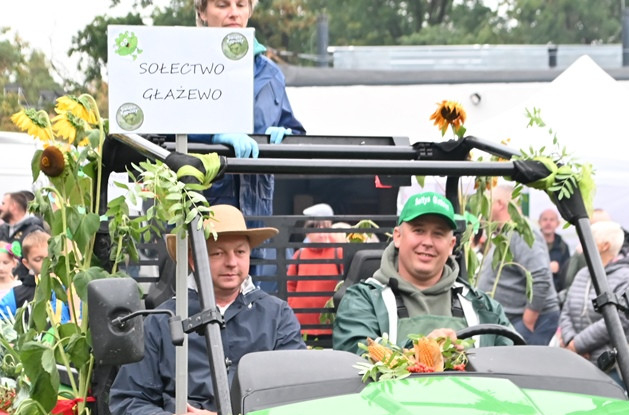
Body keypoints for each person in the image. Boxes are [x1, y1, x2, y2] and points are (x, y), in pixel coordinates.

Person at [109, 204, 305, 415]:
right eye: (218, 253)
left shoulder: (277, 316)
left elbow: (296, 395)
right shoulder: (162, 318)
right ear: (195, 259)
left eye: (240, 252)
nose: (231, 262)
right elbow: (127, 400)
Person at [190, 0, 306, 294]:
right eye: (222, 4)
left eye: (241, 4)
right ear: (202, 12)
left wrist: (285, 135)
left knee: (257, 315)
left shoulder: (270, 74)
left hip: (257, 220)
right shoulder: (184, 65)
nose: (233, 12)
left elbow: (294, 129)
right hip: (204, 216)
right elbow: (160, 132)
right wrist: (212, 136)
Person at [332, 191, 512, 353]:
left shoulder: (484, 308)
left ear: (451, 245)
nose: (427, 242)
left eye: (438, 233)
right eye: (418, 230)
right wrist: (421, 351)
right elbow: (357, 353)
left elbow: (516, 359)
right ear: (397, 236)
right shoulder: (363, 302)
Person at [476, 185, 560, 345]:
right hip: (514, 320)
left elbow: (540, 276)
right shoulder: (506, 233)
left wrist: (528, 322)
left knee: (521, 368)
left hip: (530, 320)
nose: (482, 208)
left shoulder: (521, 231)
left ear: (500, 204)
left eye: (487, 202)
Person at [559, 220, 629, 384]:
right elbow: (566, 310)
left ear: (605, 245)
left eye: (587, 239)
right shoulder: (582, 273)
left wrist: (579, 345)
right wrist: (571, 342)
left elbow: (619, 320)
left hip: (609, 366)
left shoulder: (627, 277)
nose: (581, 245)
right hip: (577, 361)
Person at [286, 205, 345, 338]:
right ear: (308, 231)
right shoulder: (299, 255)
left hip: (330, 327)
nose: (323, 233)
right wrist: (294, 306)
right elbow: (290, 285)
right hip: (302, 327)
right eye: (317, 228)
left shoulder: (338, 252)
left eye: (326, 227)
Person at [0, 191, 47, 279]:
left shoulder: (34, 230)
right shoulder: (1, 229)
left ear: (13, 206)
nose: (0, 207)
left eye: (3, 204)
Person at [539, 208, 570, 292]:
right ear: (539, 222)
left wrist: (559, 269)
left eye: (552, 220)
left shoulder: (563, 246)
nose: (548, 223)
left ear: (558, 223)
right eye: (545, 219)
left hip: (556, 292)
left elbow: (567, 273)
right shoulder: (532, 243)